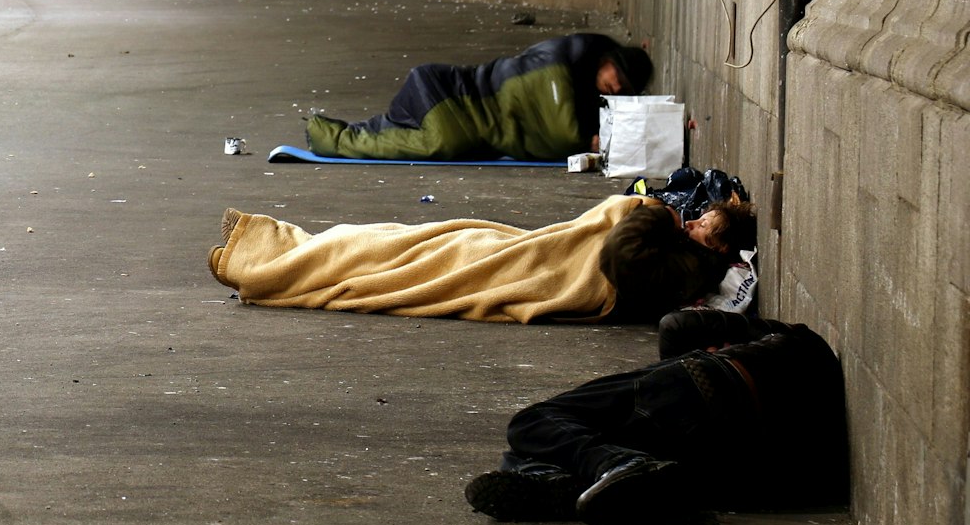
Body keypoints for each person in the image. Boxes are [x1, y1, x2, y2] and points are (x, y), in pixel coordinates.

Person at [463, 308, 847, 525]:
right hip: (757, 468)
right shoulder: (801, 352)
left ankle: (596, 469)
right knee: (539, 447)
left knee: (533, 423)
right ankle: (576, 478)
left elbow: (676, 325)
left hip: (713, 424)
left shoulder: (790, 342)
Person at [208, 193, 726, 325]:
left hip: (548, 274)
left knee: (402, 260)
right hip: (536, 252)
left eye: (707, 226)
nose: (696, 221)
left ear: (718, 248)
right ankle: (277, 248)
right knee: (402, 240)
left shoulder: (689, 265)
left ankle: (264, 262)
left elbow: (616, 254)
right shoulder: (688, 255)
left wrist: (649, 212)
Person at [306, 33, 653, 161]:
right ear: (607, 60)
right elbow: (555, 127)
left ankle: (344, 133)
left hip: (457, 99)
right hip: (448, 93)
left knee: (440, 139)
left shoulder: (590, 90)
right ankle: (331, 136)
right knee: (442, 139)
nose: (618, 87)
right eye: (617, 77)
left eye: (626, 88)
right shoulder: (563, 60)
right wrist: (584, 141)